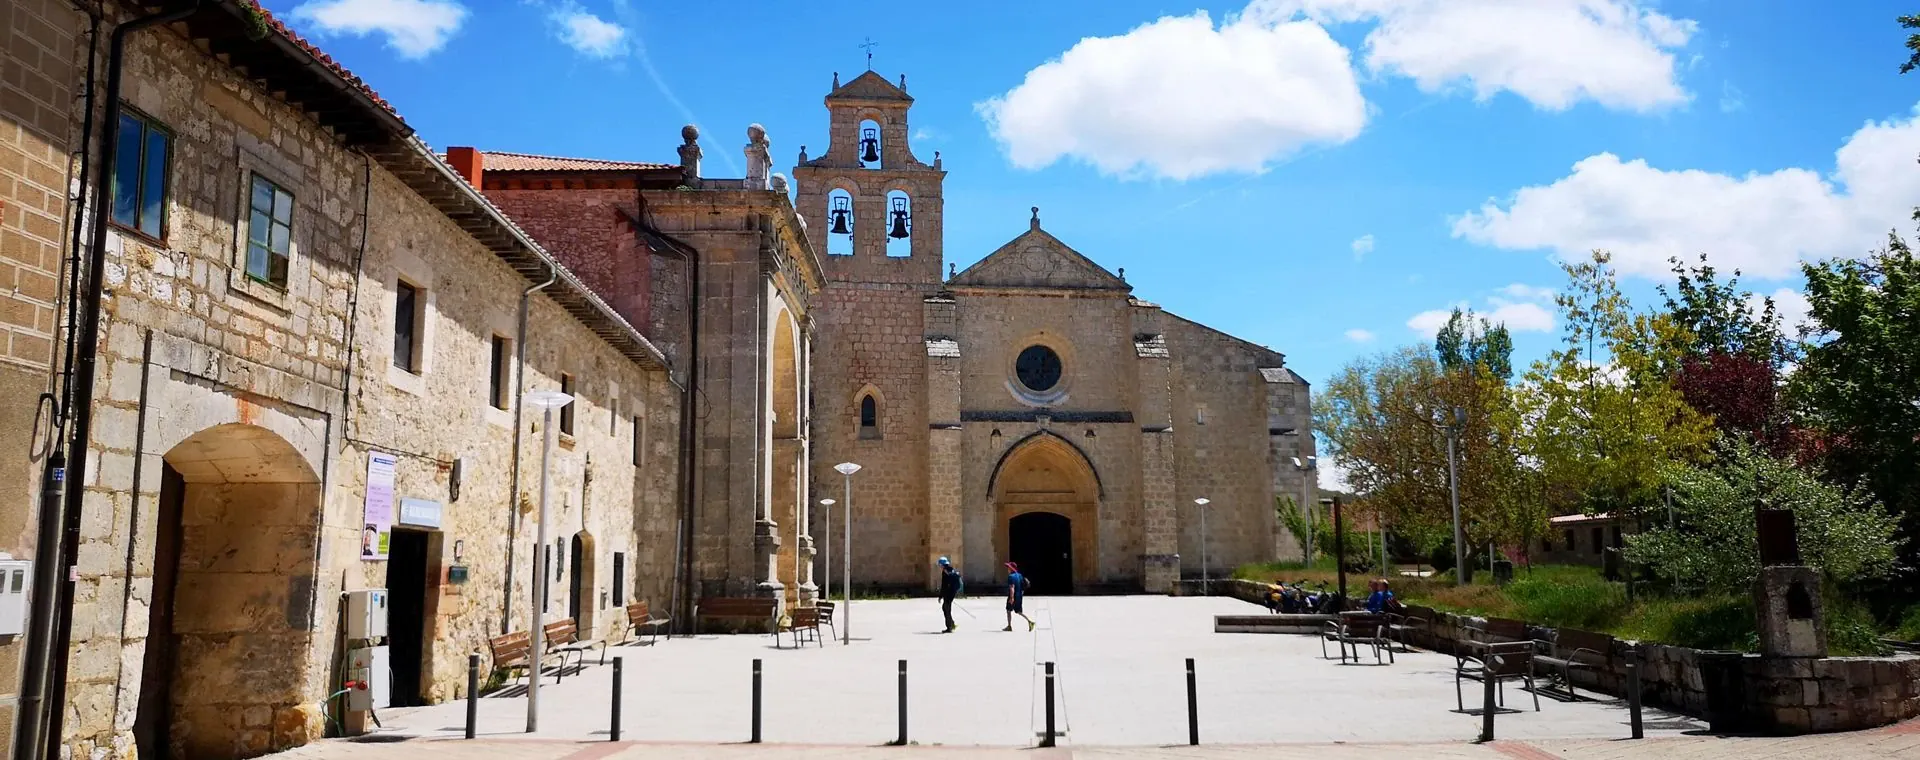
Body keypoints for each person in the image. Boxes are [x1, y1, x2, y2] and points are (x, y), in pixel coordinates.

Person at [1003, 561, 1034, 632]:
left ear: (1011, 569)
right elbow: (1024, 585)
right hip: (1019, 596)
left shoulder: (1011, 577)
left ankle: (1009, 626)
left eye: (1008, 568)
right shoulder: (1019, 575)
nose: (1007, 569)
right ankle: (1029, 622)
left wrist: (1011, 598)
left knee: (1009, 610)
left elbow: (1012, 588)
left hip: (1013, 596)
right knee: (1018, 611)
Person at [937, 556, 964, 632]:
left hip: (948, 593)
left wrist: (940, 596)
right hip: (952, 592)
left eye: (940, 565)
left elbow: (944, 585)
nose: (939, 566)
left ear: (942, 564)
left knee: (946, 608)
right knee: (946, 608)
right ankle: (951, 624)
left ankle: (950, 627)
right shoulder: (951, 569)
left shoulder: (945, 572)